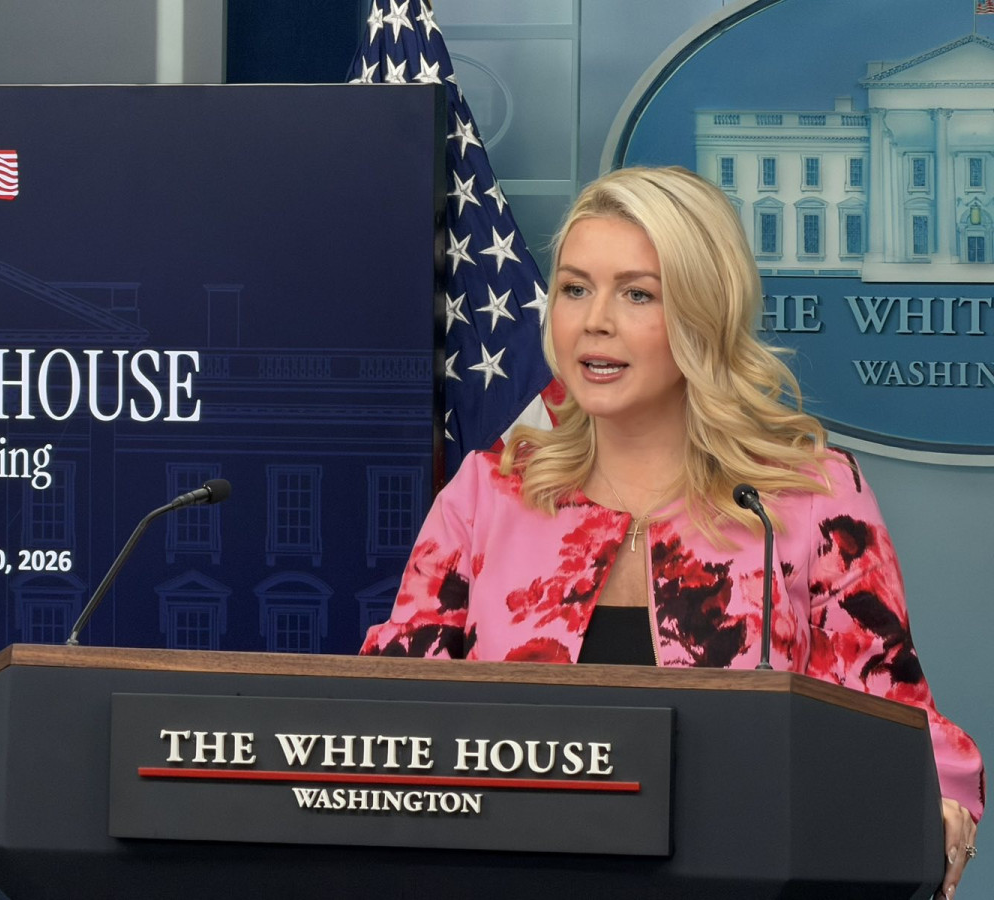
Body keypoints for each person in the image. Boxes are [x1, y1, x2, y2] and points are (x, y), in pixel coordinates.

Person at [361, 166, 983, 896]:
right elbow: (391, 715)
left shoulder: (808, 497)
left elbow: (898, 721)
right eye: (575, 289)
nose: (595, 320)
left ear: (702, 313)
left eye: (637, 294)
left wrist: (935, 803)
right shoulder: (488, 492)